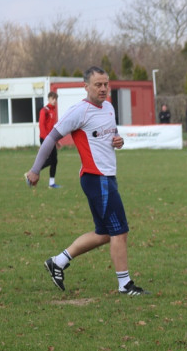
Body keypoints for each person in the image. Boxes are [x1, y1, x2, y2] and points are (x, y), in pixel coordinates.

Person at [24, 66, 148, 296]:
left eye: (106, 84)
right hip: (96, 178)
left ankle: (58, 262)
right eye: (98, 85)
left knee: (103, 233)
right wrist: (35, 169)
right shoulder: (79, 111)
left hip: (107, 177)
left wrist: (117, 140)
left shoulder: (109, 107)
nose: (103, 89)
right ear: (86, 87)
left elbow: (109, 136)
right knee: (119, 231)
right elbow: (51, 137)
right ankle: (125, 285)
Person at [38, 91, 61, 188]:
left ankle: (51, 183)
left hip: (51, 139)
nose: (54, 100)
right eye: (52, 98)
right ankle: (33, 172)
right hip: (45, 138)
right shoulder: (45, 110)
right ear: (48, 99)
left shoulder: (53, 111)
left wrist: (56, 141)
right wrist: (46, 139)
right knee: (51, 160)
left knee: (54, 161)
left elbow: (52, 128)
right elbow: (41, 125)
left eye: (55, 99)